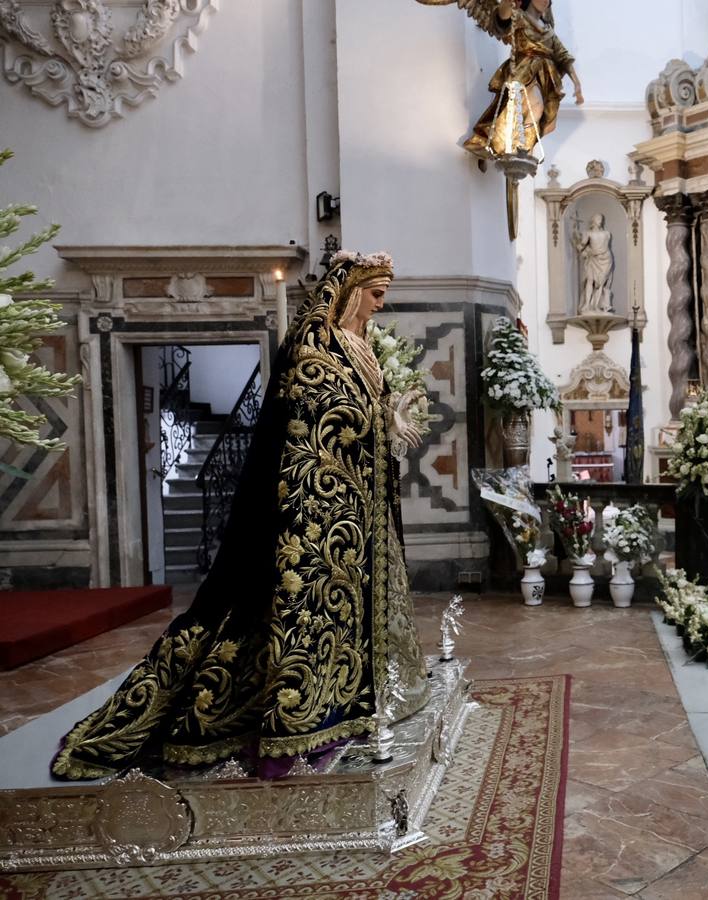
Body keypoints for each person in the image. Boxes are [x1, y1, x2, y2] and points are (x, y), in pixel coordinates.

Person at [52, 250, 430, 780]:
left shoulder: (362, 349)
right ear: (348, 293)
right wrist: (373, 422)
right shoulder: (316, 352)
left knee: (352, 613)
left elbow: (362, 420)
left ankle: (354, 699)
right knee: (307, 614)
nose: (379, 306)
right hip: (314, 510)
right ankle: (306, 713)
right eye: (375, 295)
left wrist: (390, 421)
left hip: (354, 511)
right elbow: (312, 426)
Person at [437, 0, 584, 158]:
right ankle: (517, 150)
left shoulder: (548, 30)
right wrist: (508, 3)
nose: (544, 1)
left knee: (540, 118)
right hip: (525, 71)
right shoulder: (519, 16)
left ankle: (523, 151)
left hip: (546, 79)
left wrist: (577, 84)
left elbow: (564, 57)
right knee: (534, 107)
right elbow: (502, 20)